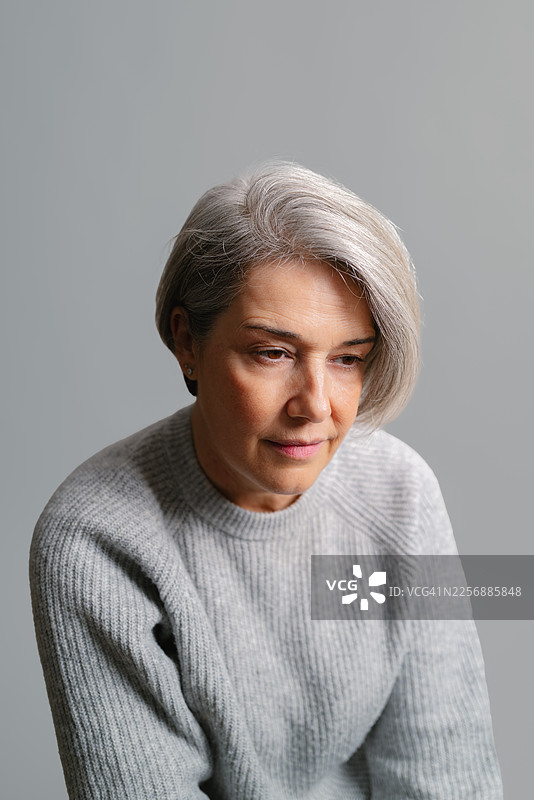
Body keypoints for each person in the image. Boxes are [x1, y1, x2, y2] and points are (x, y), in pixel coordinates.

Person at [30, 163, 503, 799]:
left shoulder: (400, 495)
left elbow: (446, 775)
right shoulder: (99, 541)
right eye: (272, 353)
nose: (316, 404)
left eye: (347, 359)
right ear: (186, 341)